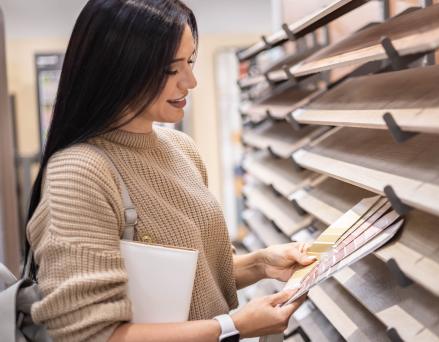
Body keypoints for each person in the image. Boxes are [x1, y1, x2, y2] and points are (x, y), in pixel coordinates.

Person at [25, 0, 314, 341]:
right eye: (170, 69)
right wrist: (233, 326)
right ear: (118, 68)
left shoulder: (182, 149)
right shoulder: (79, 173)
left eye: (189, 62)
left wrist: (260, 264)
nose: (190, 81)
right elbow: (90, 335)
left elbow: (191, 278)